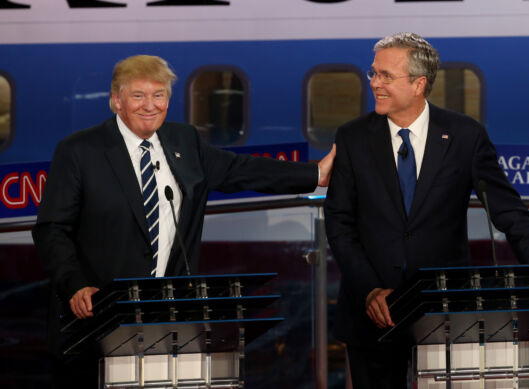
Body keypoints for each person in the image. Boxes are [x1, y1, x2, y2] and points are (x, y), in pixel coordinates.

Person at [32, 54, 335, 387]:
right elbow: (52, 229)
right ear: (115, 100)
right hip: (97, 322)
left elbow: (239, 169)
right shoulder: (79, 151)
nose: (150, 105)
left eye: (159, 95)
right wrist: (75, 284)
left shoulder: (183, 141)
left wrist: (314, 174)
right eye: (138, 96)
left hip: (166, 322)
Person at [324, 32, 529, 388]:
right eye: (373, 73)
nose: (374, 83)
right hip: (372, 315)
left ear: (419, 84)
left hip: (445, 313)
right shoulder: (352, 137)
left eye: (385, 76)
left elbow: (509, 212)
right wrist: (369, 290)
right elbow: (338, 224)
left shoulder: (464, 135)